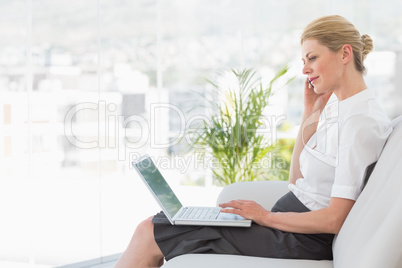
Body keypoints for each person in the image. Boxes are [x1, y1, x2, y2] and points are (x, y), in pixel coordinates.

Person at [114, 15, 392, 268]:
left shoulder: (360, 121)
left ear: (345, 53)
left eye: (312, 58)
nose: (305, 69)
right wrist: (310, 113)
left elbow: (335, 219)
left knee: (149, 230)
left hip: (301, 238)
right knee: (162, 224)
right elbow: (297, 182)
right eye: (304, 61)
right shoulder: (337, 107)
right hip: (285, 225)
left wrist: (264, 217)